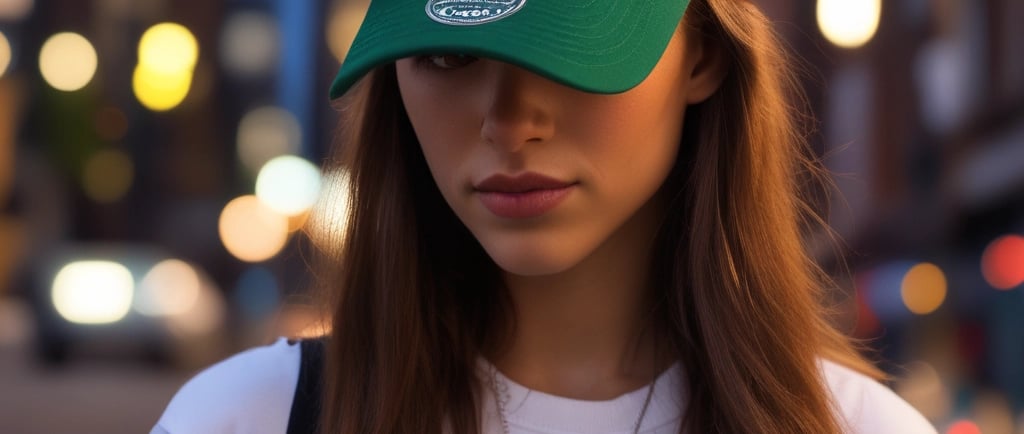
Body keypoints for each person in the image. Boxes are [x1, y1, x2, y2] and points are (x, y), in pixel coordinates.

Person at [153, 0, 938, 432]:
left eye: (571, 47)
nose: (510, 119)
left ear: (701, 55)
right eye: (450, 56)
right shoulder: (242, 421)